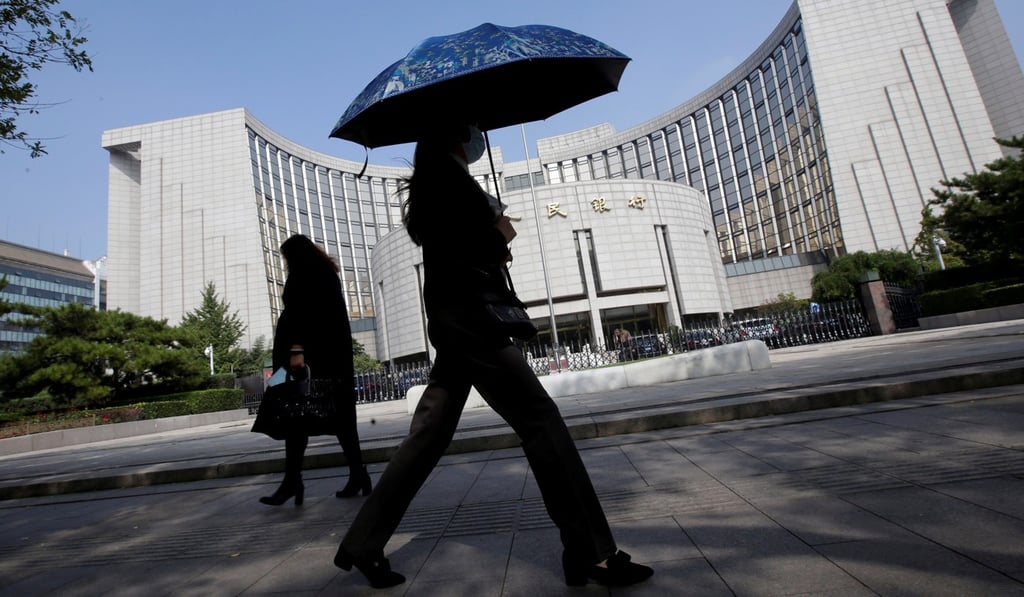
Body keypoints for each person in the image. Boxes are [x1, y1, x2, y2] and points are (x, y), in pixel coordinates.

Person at [334, 125, 654, 589]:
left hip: (455, 320)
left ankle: (362, 543)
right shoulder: (451, 182)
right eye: (471, 127)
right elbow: (479, 248)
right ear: (457, 136)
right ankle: (590, 552)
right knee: (541, 421)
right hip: (473, 322)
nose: (477, 135)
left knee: (427, 436)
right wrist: (500, 231)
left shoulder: (434, 182)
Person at [259, 234, 371, 506]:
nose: (285, 263)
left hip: (305, 361)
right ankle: (357, 475)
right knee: (338, 418)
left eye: (286, 257)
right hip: (328, 361)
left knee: (294, 418)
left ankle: (293, 482)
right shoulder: (325, 273)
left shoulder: (306, 274)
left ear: (294, 255)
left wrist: (296, 350)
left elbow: (302, 315)